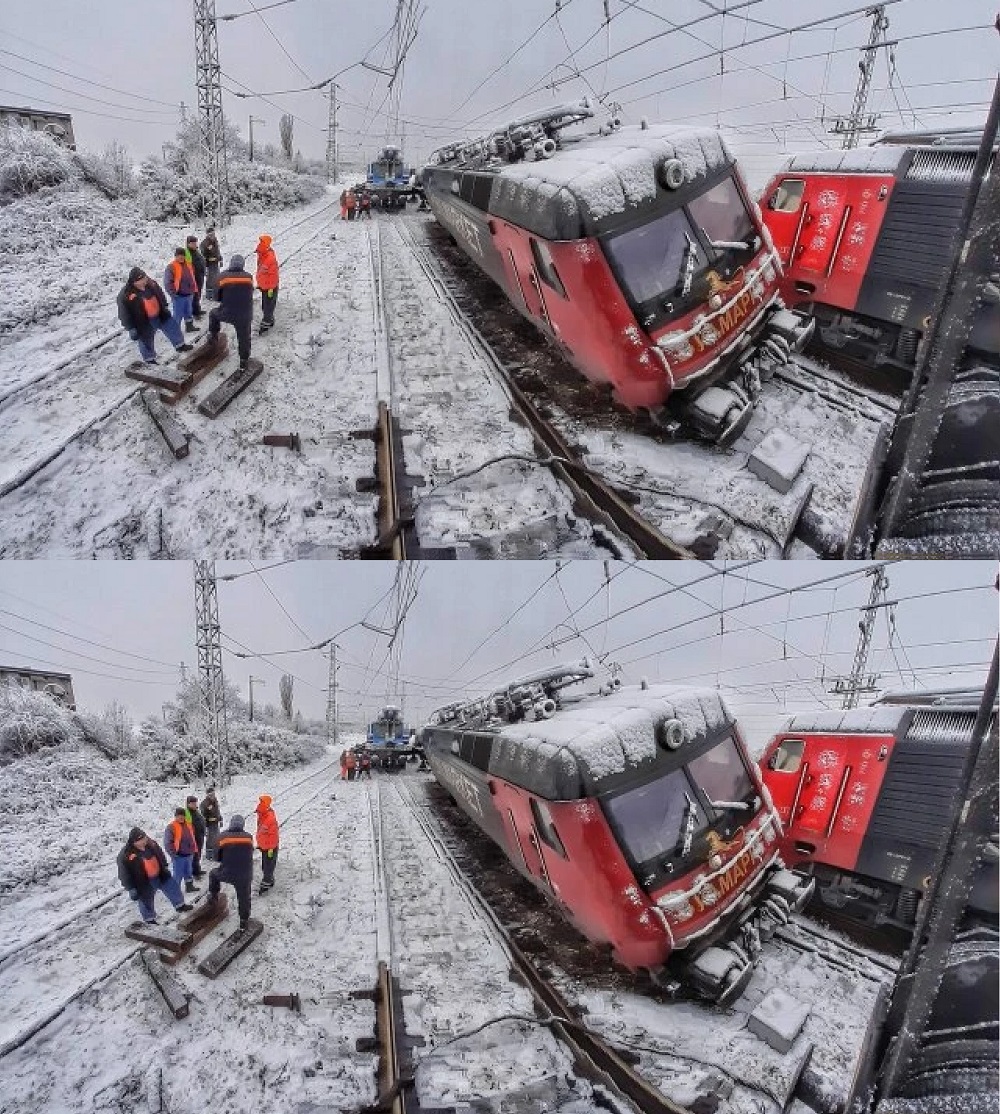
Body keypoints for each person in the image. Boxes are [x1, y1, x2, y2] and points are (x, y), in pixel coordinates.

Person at [117, 267, 193, 365]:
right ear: (133, 282)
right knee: (146, 339)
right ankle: (149, 359)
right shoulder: (125, 294)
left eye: (144, 278)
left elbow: (160, 293)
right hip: (144, 321)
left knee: (173, 328)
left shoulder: (151, 283)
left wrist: (164, 305)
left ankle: (180, 345)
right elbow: (123, 313)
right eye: (140, 280)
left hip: (160, 314)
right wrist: (130, 327)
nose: (144, 281)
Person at [117, 827, 193, 924]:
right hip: (144, 881)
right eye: (139, 840)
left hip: (160, 874)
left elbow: (160, 853)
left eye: (144, 838)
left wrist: (164, 866)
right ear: (133, 842)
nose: (143, 841)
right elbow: (123, 873)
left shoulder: (151, 843)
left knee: (173, 888)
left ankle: (180, 905)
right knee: (146, 900)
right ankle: (149, 919)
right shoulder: (126, 854)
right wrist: (130, 888)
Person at [206, 814, 254, 932]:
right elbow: (249, 852)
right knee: (244, 897)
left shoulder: (222, 837)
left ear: (231, 824)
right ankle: (244, 921)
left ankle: (213, 896)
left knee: (213, 874)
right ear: (243, 825)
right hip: (245, 875)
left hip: (227, 873)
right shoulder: (249, 837)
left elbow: (216, 857)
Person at [206, 254, 254, 372]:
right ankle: (244, 361)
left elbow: (216, 297)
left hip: (227, 313)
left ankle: (213, 335)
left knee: (213, 314)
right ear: (243, 265)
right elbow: (250, 292)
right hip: (245, 315)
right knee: (244, 337)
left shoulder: (222, 276)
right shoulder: (249, 277)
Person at [164, 247, 199, 335]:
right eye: (179, 255)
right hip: (178, 296)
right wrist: (172, 293)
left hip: (189, 294)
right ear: (175, 256)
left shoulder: (188, 264)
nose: (181, 257)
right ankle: (175, 332)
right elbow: (168, 282)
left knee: (188, 312)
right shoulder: (171, 266)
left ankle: (189, 326)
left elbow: (192, 277)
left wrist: (193, 289)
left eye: (182, 255)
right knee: (178, 315)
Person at [164, 806, 200, 894]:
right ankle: (175, 891)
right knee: (178, 875)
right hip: (178, 856)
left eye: (182, 815)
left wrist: (194, 850)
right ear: (175, 816)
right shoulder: (171, 827)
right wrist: (173, 854)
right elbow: (168, 842)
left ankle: (189, 886)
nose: (181, 817)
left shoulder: (189, 825)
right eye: (178, 815)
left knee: (188, 872)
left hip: (189, 854)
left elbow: (192, 837)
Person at [255, 794, 279, 894]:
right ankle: (270, 879)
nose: (260, 804)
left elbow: (273, 836)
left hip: (270, 848)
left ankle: (266, 884)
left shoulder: (269, 818)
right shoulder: (263, 815)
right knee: (266, 865)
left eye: (262, 802)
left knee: (268, 866)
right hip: (265, 846)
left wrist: (270, 848)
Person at [255, 234, 279, 334]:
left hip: (270, 287)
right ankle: (270, 319)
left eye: (262, 242)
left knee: (268, 306)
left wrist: (270, 287)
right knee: (266, 305)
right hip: (265, 286)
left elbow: (272, 275)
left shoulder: (269, 258)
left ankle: (266, 324)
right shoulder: (263, 255)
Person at [185, 235, 207, 319]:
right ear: (188, 244)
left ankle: (197, 309)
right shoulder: (187, 253)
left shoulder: (195, 251)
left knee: (198, 294)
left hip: (199, 276)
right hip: (193, 278)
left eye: (195, 242)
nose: (194, 244)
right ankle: (195, 313)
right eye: (192, 243)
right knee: (194, 295)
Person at [186, 794, 207, 878]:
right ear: (188, 804)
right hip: (193, 838)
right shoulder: (187, 813)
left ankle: (197, 869)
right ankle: (195, 873)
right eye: (193, 803)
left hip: (199, 836)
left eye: (195, 803)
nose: (195, 804)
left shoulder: (195, 811)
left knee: (198, 854)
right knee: (194, 855)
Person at [201, 225, 222, 301]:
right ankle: (209, 295)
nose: (212, 236)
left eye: (213, 234)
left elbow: (217, 251)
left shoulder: (215, 241)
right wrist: (207, 262)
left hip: (216, 263)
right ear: (207, 235)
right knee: (210, 279)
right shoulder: (204, 243)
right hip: (208, 264)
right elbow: (203, 255)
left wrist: (220, 259)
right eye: (210, 234)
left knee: (217, 278)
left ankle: (216, 293)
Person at [202, 785, 223, 861]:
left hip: (216, 823)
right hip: (209, 824)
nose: (212, 796)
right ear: (207, 795)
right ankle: (209, 855)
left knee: (217, 839)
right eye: (210, 795)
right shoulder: (204, 803)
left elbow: (218, 812)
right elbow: (203, 816)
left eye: (213, 794)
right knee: (210, 840)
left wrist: (220, 819)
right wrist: (206, 825)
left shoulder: (215, 801)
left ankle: (216, 853)